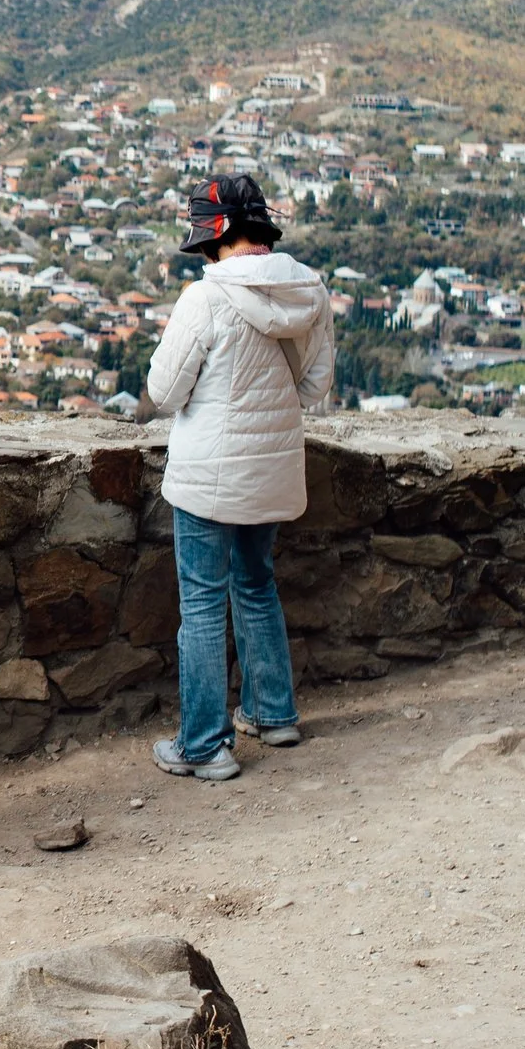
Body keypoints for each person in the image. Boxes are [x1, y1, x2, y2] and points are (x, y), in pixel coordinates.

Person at [141, 175, 336, 782]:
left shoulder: (206, 299)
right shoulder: (309, 291)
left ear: (211, 237)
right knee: (256, 583)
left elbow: (165, 393)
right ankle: (273, 714)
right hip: (273, 468)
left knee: (201, 603)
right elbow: (314, 388)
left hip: (208, 474)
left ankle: (204, 744)